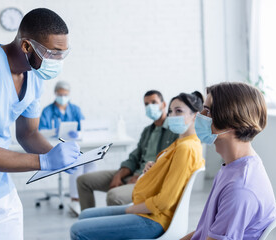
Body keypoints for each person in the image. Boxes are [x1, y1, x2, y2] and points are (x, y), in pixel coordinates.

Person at [0, 8, 80, 240]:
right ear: (26, 46)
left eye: (63, 53)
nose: (57, 61)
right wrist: (44, 161)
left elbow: (28, 133)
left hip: (2, 187)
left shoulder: (35, 77)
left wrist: (58, 156)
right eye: (52, 53)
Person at [70, 91, 205, 240]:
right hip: (149, 209)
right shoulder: (179, 143)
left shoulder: (186, 148)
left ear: (195, 115)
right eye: (171, 112)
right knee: (84, 215)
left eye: (178, 111)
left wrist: (132, 209)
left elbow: (165, 201)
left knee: (77, 230)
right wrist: (154, 168)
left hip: (154, 218)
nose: (172, 116)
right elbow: (149, 163)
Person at [181, 82, 276, 240]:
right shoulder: (232, 166)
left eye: (209, 110)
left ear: (232, 121)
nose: (200, 114)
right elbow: (204, 230)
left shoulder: (240, 188)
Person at [76, 90, 178, 211]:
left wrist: (141, 177)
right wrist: (119, 175)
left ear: (164, 104)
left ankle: (113, 228)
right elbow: (134, 157)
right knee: (83, 181)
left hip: (149, 180)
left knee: (114, 196)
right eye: (146, 104)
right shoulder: (147, 131)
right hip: (132, 173)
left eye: (154, 102)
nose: (150, 106)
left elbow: (166, 164)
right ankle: (88, 224)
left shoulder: (174, 131)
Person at [39, 80, 94, 216]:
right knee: (77, 160)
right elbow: (40, 132)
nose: (63, 97)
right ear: (55, 93)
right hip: (55, 145)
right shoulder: (47, 111)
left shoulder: (75, 109)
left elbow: (84, 127)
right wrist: (54, 132)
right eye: (60, 94)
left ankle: (86, 195)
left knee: (91, 160)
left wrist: (77, 133)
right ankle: (75, 199)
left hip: (74, 143)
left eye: (65, 94)